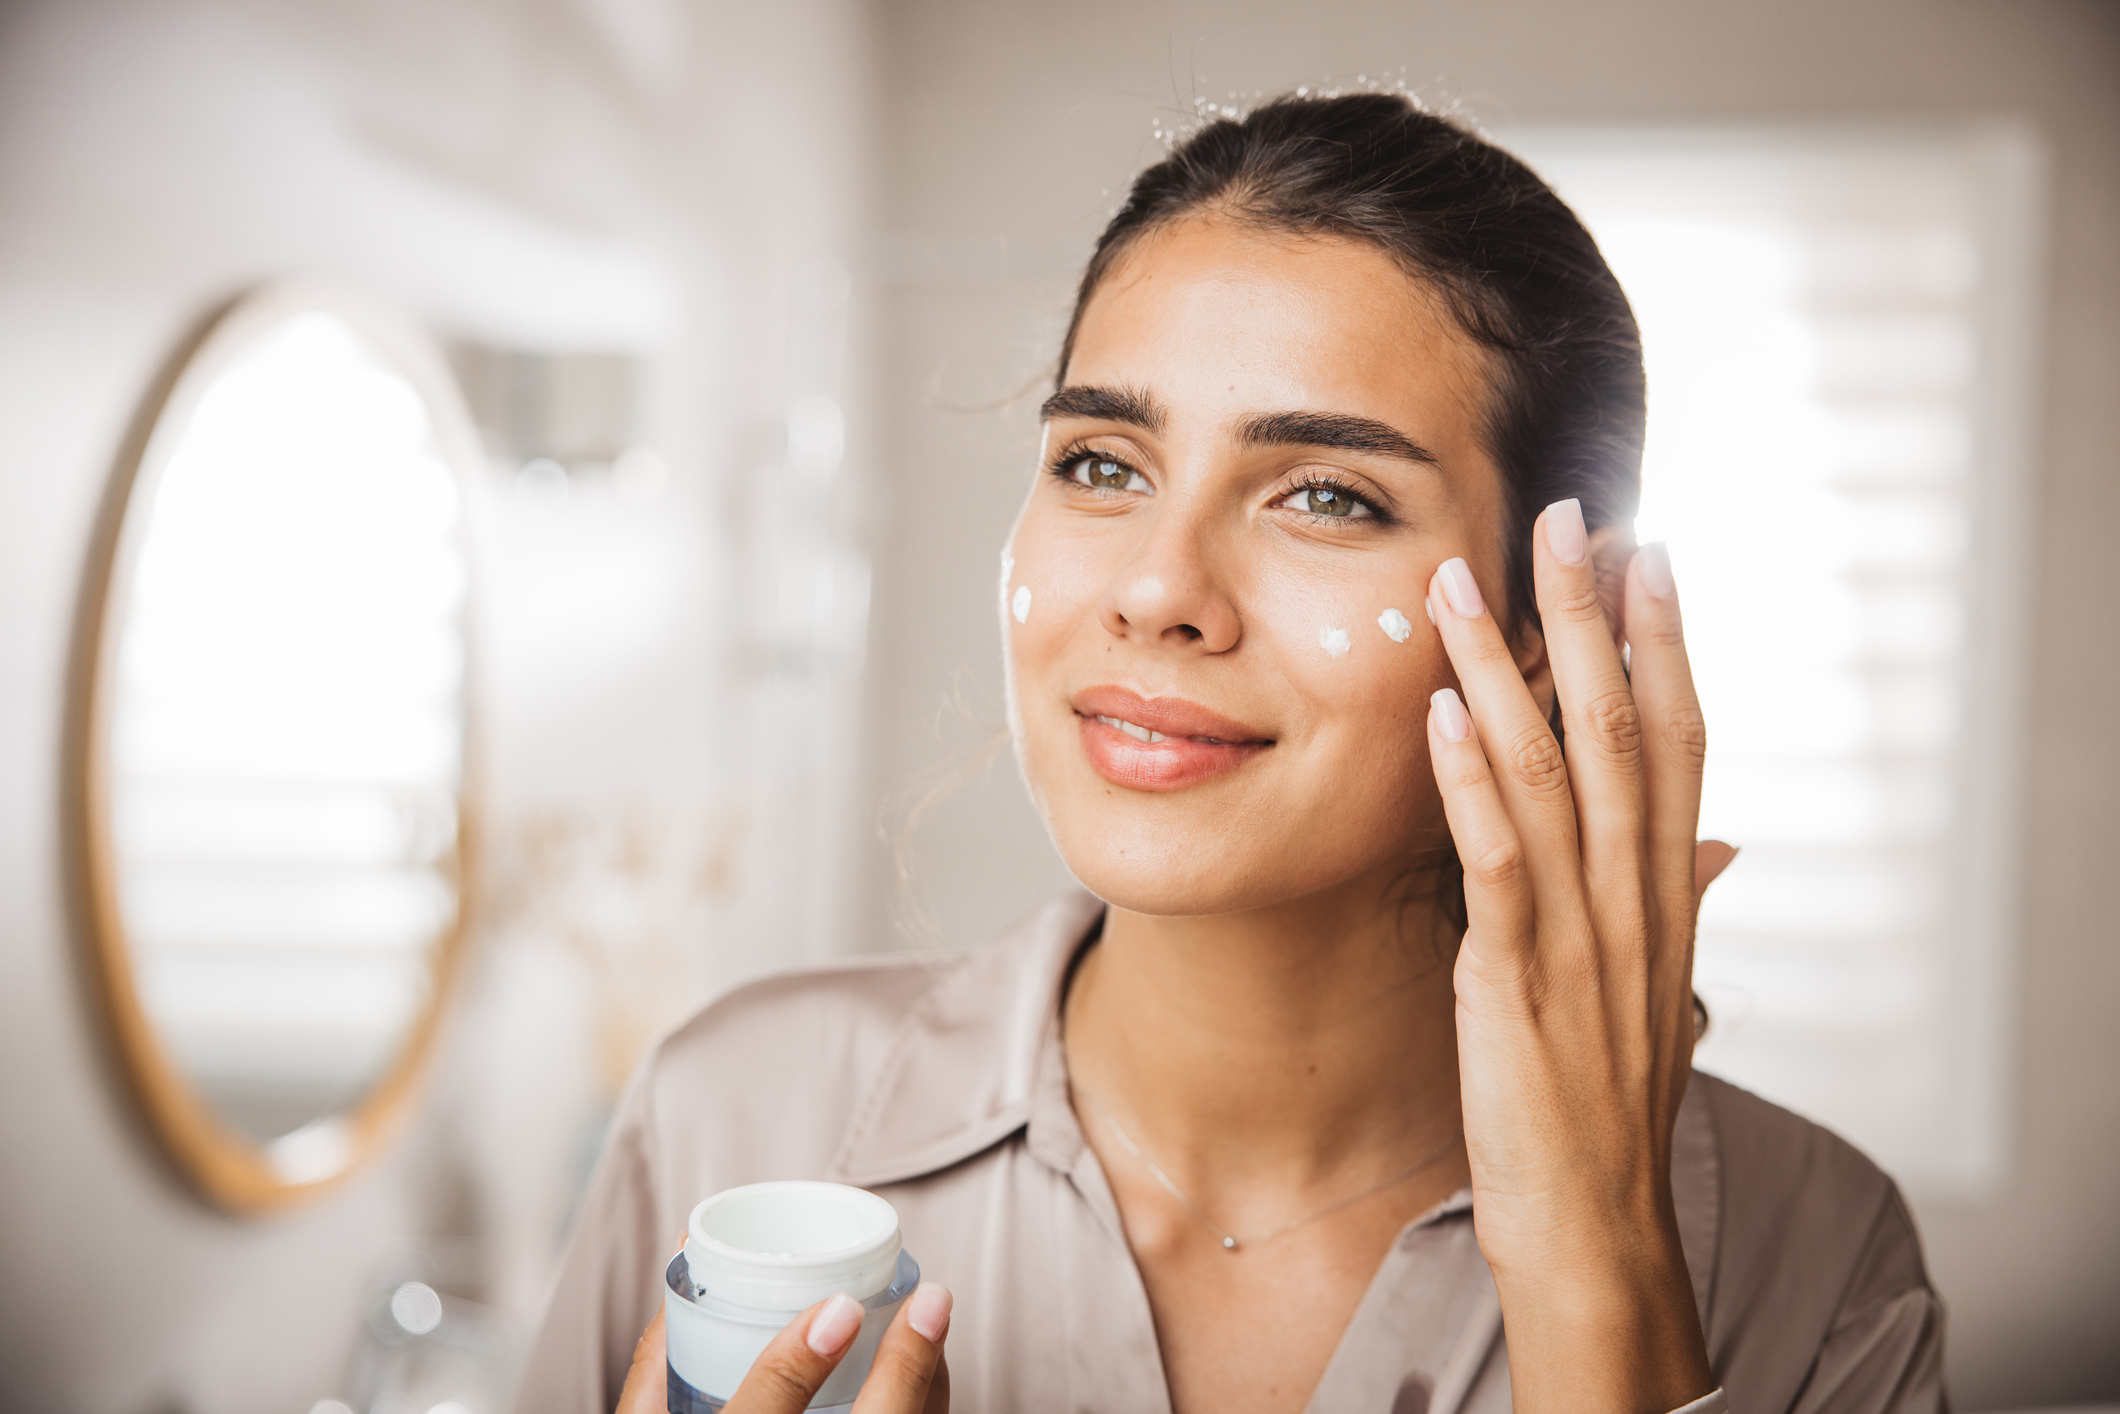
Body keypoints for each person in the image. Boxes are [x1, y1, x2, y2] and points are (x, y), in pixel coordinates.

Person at [518, 92, 1947, 1414]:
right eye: (1103, 464)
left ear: (1542, 628)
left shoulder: (1817, 1257)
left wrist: (1599, 1273)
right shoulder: (732, 1120)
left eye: (1325, 494)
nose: (1156, 586)